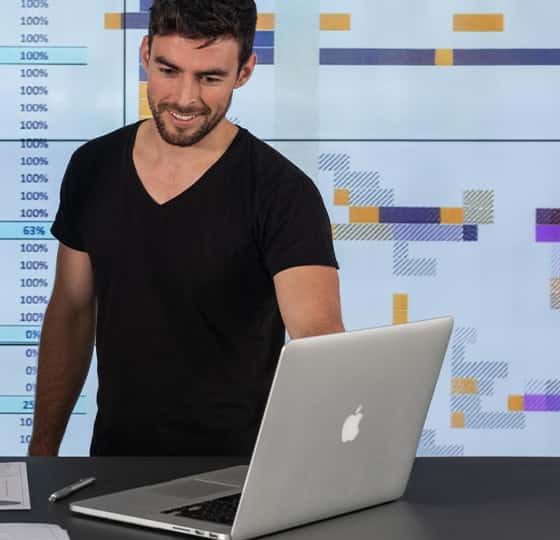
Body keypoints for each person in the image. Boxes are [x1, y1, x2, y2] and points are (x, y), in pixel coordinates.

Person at [29, 0, 344, 457]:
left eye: (210, 77)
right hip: (113, 471)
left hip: (239, 477)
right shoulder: (92, 168)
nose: (183, 98)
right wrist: (42, 452)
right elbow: (72, 311)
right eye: (168, 69)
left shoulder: (283, 192)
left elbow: (316, 335)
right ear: (145, 53)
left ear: (245, 71)